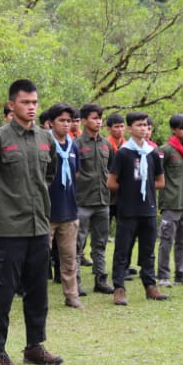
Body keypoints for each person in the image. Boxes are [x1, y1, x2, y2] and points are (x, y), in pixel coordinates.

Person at [0, 79, 61, 365]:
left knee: (38, 291)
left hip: (38, 227)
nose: (31, 107)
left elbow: (49, 173)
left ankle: (35, 346)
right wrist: (1, 195)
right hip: (8, 229)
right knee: (2, 293)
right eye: (25, 102)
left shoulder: (46, 138)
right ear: (11, 105)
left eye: (34, 102)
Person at [107, 111, 166, 305]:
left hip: (148, 208)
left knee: (148, 250)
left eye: (145, 125)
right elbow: (112, 182)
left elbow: (160, 181)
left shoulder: (152, 153)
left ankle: (150, 286)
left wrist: (145, 188)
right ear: (130, 128)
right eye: (139, 125)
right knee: (122, 250)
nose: (143, 128)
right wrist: (130, 189)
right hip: (128, 209)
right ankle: (119, 288)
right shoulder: (123, 152)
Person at [42, 103, 83, 308]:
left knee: (69, 258)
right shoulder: (43, 143)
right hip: (46, 211)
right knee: (40, 258)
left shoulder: (73, 145)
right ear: (51, 122)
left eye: (69, 121)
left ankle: (71, 295)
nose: (66, 124)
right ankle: (38, 297)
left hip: (69, 210)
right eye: (62, 120)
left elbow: (76, 173)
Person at [74, 104, 114, 295]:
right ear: (83, 120)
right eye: (93, 118)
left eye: (100, 118)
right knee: (77, 245)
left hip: (102, 201)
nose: (98, 121)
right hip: (82, 201)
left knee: (100, 243)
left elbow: (111, 171)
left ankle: (100, 280)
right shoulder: (77, 144)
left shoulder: (106, 144)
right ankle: (75, 282)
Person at [157, 113, 183, 287]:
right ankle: (163, 275)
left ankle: (181, 273)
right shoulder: (165, 150)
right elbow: (157, 175)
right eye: (182, 127)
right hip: (171, 202)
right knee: (167, 239)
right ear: (174, 130)